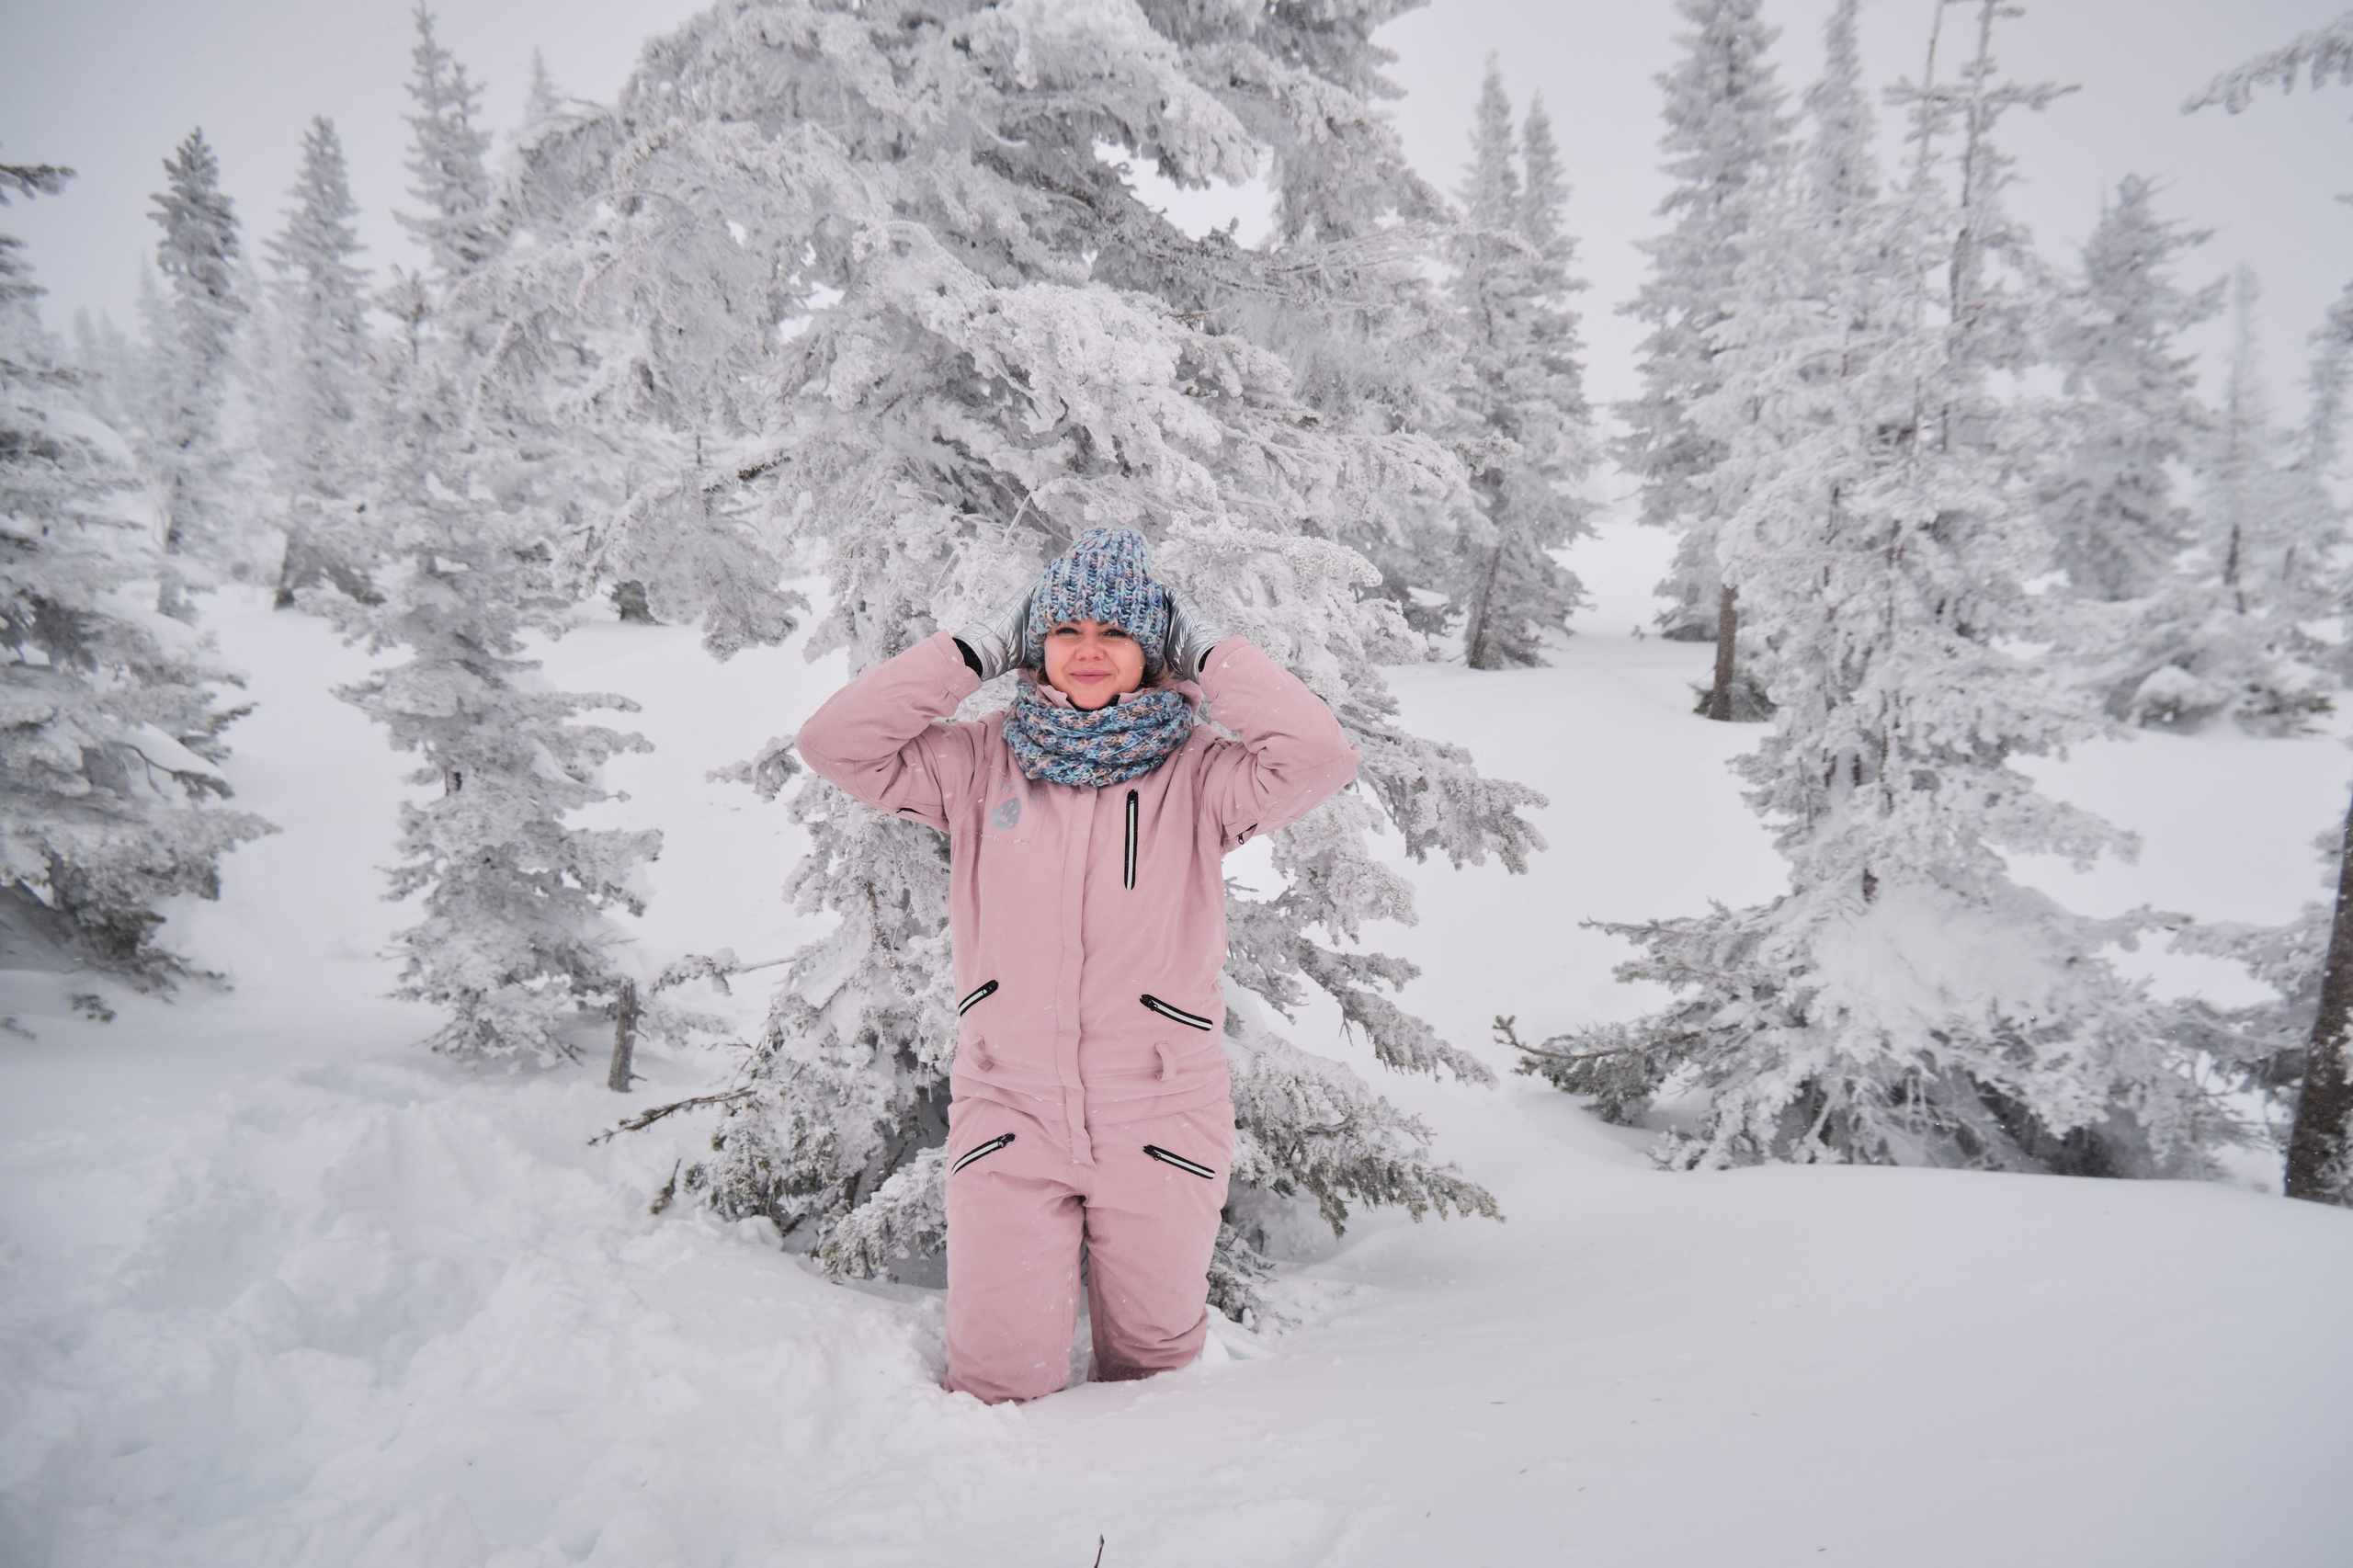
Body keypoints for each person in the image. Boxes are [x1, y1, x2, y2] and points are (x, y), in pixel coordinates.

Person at [795, 527, 1358, 1402]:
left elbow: (1318, 756)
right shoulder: (981, 765)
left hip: (1163, 1115)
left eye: (1116, 634)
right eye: (1066, 632)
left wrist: (1212, 651)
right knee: (994, 1380)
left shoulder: (1201, 776)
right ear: (1034, 646)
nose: (1090, 653)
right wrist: (967, 650)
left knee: (1155, 1379)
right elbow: (836, 745)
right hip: (1009, 1111)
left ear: (1152, 649)